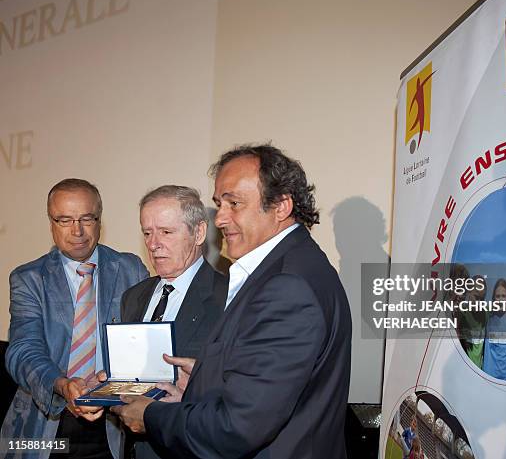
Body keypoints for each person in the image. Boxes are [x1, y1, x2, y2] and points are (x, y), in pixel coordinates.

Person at [112, 144, 352, 458]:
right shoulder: (293, 267)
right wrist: (202, 382)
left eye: (234, 204)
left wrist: (150, 416)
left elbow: (238, 427)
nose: (221, 219)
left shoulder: (287, 285)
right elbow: (268, 387)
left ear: (280, 206)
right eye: (219, 204)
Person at [0, 178, 148, 459]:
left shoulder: (131, 269)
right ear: (51, 223)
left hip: (112, 425)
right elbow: (22, 350)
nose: (77, 231)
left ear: (100, 220)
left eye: (86, 219)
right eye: (64, 220)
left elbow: (142, 343)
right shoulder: (29, 278)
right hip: (45, 422)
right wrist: (62, 385)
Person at [119, 185, 227, 459]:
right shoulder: (133, 297)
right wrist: (109, 383)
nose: (153, 244)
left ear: (199, 233)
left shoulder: (229, 298)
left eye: (166, 232)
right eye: (147, 233)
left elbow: (243, 391)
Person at [483, 278, 506, 381]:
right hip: (490, 378)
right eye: (497, 296)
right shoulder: (487, 317)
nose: (501, 300)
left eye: (504, 296)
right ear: (493, 298)